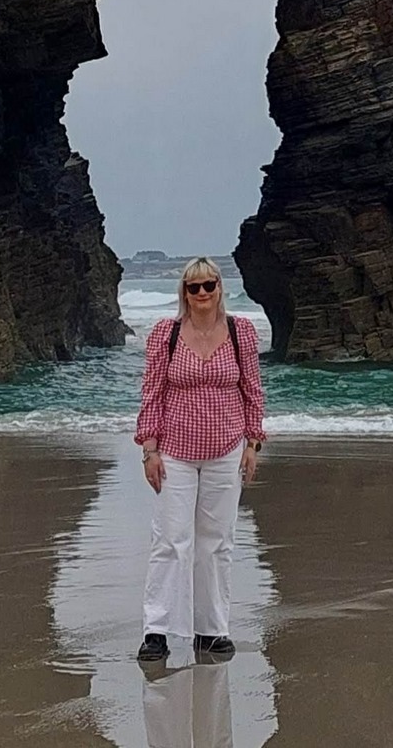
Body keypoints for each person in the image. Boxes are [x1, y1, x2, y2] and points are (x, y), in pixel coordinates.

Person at [134, 257, 266, 663]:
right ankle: (156, 631)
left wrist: (253, 443)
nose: (203, 293)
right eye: (194, 287)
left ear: (220, 288)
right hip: (175, 452)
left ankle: (211, 631)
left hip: (226, 451)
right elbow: (152, 392)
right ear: (184, 293)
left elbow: (253, 391)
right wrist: (150, 450)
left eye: (209, 285)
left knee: (216, 543)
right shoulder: (166, 334)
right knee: (171, 541)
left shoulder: (241, 333)